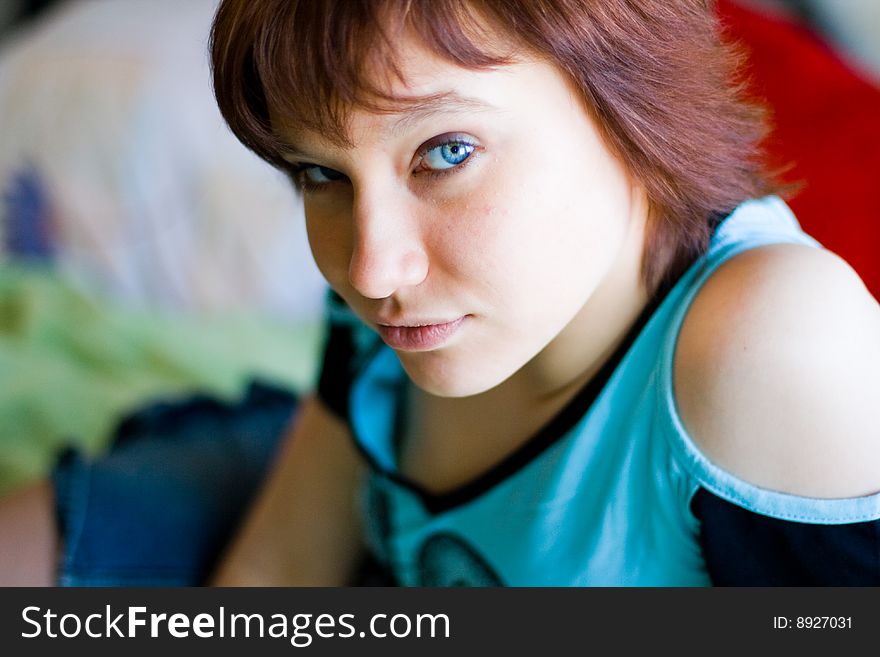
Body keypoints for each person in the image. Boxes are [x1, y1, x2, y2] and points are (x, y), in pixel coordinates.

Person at [3, 0, 879, 586]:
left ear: (628, 103)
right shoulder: (383, 306)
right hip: (274, 456)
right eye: (320, 174)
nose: (371, 271)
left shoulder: (774, 344)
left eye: (446, 152)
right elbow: (275, 573)